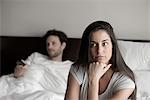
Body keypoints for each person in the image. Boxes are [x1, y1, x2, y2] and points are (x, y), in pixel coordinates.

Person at [65, 21, 136, 100]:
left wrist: (93, 81)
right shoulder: (78, 70)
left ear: (113, 45)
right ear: (88, 48)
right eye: (93, 45)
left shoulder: (125, 82)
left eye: (104, 43)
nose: (99, 51)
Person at [0, 29, 73, 100]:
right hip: (21, 86)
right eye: (48, 44)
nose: (49, 47)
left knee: (49, 96)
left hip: (42, 94)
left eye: (53, 43)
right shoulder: (36, 56)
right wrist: (18, 71)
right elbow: (19, 70)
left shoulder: (70, 66)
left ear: (63, 45)